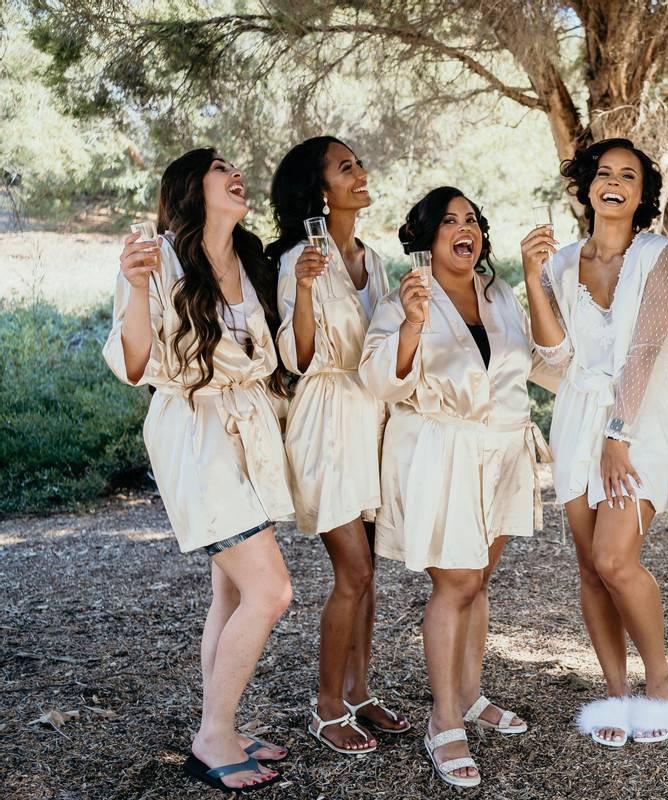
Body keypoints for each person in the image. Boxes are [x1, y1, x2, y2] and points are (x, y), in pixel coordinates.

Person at [103, 148, 293, 793]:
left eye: (237, 166)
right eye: (218, 167)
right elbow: (134, 363)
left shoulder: (247, 260)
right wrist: (133, 287)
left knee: (233, 592)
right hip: (195, 436)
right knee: (271, 592)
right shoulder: (158, 257)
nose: (235, 172)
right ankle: (212, 737)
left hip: (247, 433)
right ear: (189, 186)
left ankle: (226, 726)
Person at [359, 187, 550, 788]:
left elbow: (543, 364)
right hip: (440, 453)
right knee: (457, 580)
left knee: (478, 579)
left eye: (472, 220)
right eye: (449, 221)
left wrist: (543, 281)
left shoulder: (501, 293)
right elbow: (378, 381)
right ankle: (443, 720)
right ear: (425, 237)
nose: (464, 229)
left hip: (503, 450)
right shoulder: (403, 299)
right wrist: (413, 326)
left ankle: (469, 695)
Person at [521, 138, 668, 748]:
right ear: (588, 186)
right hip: (576, 417)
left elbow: (643, 350)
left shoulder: (658, 254)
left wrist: (618, 435)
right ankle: (615, 691)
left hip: (636, 422)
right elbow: (557, 355)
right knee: (591, 569)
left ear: (641, 195)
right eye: (604, 173)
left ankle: (659, 680)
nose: (613, 183)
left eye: (628, 176)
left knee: (617, 559)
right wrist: (536, 280)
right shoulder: (562, 263)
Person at [266, 136, 405, 755]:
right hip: (325, 417)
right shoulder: (300, 258)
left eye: (359, 164)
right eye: (347, 168)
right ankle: (326, 706)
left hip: (372, 418)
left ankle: (360, 690)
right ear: (322, 191)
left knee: (370, 576)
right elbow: (294, 359)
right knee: (354, 570)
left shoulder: (371, 260)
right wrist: (299, 290)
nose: (362, 174)